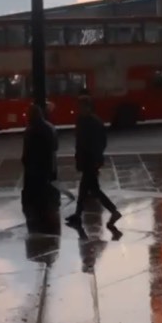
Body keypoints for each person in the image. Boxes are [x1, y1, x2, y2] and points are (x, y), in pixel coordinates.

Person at [66, 97, 121, 230]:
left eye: (82, 107)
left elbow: (97, 144)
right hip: (88, 160)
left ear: (88, 107)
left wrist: (94, 160)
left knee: (88, 189)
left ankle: (112, 211)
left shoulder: (91, 123)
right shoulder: (88, 121)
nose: (79, 109)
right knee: (89, 189)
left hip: (90, 161)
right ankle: (111, 211)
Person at [21, 104, 59, 216]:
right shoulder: (50, 128)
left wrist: (25, 162)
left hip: (34, 167)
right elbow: (55, 147)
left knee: (34, 192)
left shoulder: (30, 130)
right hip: (47, 164)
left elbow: (27, 151)